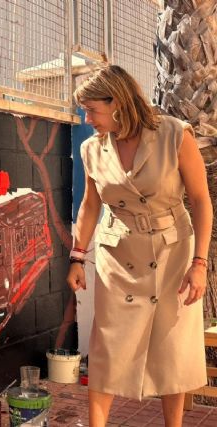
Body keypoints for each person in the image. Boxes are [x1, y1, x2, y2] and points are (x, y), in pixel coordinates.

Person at [66, 65, 212, 427]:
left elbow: (201, 200)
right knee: (107, 348)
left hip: (173, 254)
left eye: (92, 110)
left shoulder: (174, 135)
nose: (87, 119)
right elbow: (90, 205)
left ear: (116, 102)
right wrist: (77, 257)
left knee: (171, 348)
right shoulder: (91, 149)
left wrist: (199, 264)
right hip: (119, 258)